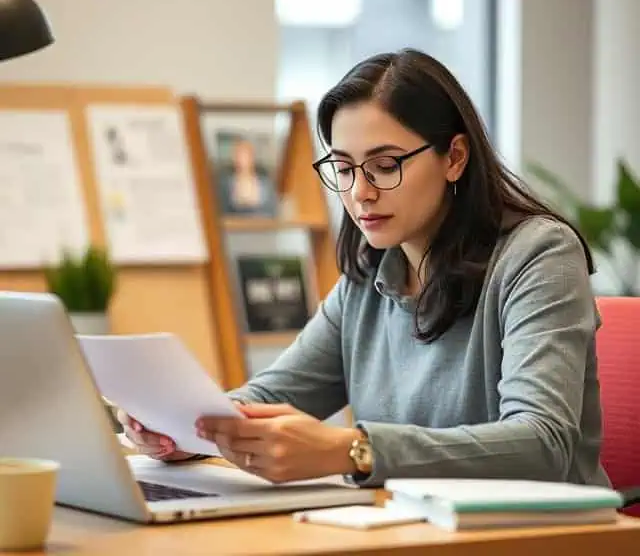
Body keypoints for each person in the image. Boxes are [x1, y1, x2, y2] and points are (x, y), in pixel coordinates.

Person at [119, 48, 610, 489]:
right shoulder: (372, 271)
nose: (361, 193)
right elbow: (275, 393)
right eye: (345, 168)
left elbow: (543, 443)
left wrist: (352, 450)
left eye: (385, 164)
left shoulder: (540, 255)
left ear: (454, 157)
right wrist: (184, 429)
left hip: (540, 538)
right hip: (407, 534)